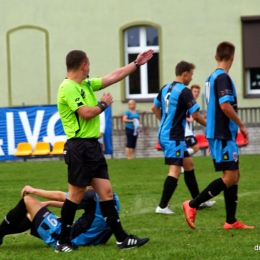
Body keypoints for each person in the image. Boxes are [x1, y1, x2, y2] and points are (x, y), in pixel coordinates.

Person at [56, 49, 153, 252]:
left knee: (106, 192)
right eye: (88, 64)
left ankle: (122, 239)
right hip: (79, 147)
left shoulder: (86, 84)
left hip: (91, 147)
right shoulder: (68, 87)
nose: (90, 68)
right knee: (75, 195)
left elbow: (113, 76)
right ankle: (62, 241)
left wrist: (136, 63)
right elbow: (86, 113)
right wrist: (103, 104)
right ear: (83, 65)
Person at [182, 41, 254, 230]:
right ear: (232, 57)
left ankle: (231, 221)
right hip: (222, 133)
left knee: (235, 174)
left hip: (223, 133)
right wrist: (242, 125)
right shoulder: (223, 78)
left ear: (216, 57)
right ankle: (192, 204)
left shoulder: (211, 77)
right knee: (229, 177)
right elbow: (224, 106)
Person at [151, 61, 207, 215]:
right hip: (173, 136)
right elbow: (195, 115)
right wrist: (209, 125)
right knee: (175, 171)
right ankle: (162, 206)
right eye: (191, 74)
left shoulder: (165, 87)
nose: (191, 77)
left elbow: (154, 107)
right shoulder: (184, 91)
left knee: (188, 165)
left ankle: (198, 201)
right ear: (185, 74)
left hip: (165, 133)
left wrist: (165, 120)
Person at [0, 185, 120, 248]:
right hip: (89, 240)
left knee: (28, 200)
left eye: (88, 182)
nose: (86, 186)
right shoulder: (113, 197)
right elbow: (72, 205)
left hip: (67, 238)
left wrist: (33, 190)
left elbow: (61, 195)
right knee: (34, 216)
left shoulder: (92, 195)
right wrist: (49, 203)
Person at [183, 84, 216, 209]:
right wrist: (190, 119)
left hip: (189, 132)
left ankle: (198, 200)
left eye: (197, 91)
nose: (196, 93)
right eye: (194, 91)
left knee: (191, 160)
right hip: (185, 132)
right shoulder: (187, 102)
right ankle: (181, 161)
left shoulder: (193, 103)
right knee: (195, 148)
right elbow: (187, 116)